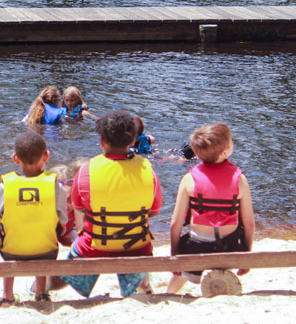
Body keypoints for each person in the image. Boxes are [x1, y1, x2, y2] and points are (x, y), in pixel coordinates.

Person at [59, 110, 162, 298]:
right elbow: (154, 211)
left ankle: (39, 290)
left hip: (94, 247)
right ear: (132, 141)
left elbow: (79, 208)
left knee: (65, 271)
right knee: (141, 237)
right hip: (136, 248)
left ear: (101, 141)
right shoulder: (148, 171)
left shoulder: (86, 171)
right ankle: (143, 287)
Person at [166, 123, 255, 294]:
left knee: (180, 275)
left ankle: (169, 293)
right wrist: (246, 256)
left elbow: (175, 223)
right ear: (225, 152)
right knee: (238, 225)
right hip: (230, 246)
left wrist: (175, 256)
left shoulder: (189, 179)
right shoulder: (240, 179)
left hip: (197, 245)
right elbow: (249, 223)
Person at [0, 131, 67, 305]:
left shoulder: (5, 186)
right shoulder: (55, 187)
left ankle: (7, 295)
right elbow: (63, 222)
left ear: (15, 158)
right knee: (45, 235)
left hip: (11, 251)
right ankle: (41, 293)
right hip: (47, 251)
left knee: (8, 237)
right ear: (46, 156)